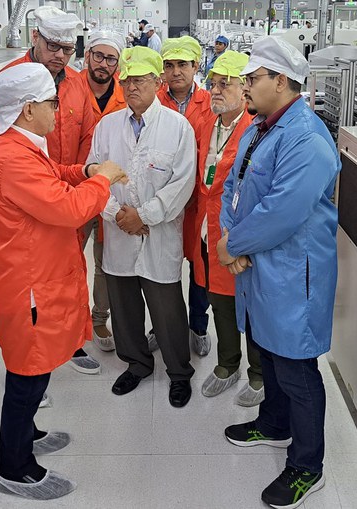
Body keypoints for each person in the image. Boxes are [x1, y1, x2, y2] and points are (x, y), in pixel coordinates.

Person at [0, 63, 126, 500]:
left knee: (37, 366)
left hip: (36, 275)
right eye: (51, 103)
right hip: (29, 285)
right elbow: (68, 210)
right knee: (28, 373)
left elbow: (51, 177)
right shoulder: (11, 157)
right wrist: (103, 179)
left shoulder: (18, 144)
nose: (57, 110)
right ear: (28, 109)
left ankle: (26, 434)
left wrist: (83, 171)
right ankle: (15, 468)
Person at [218, 36, 341, 509]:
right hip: (258, 264)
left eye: (253, 78)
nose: (245, 85)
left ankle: (308, 467)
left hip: (293, 272)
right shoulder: (261, 127)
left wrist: (233, 245)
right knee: (267, 350)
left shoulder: (306, 139)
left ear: (282, 81)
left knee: (295, 366)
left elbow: (283, 211)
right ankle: (274, 423)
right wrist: (230, 238)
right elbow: (234, 184)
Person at [0, 5, 101, 377]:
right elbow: (10, 141)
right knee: (38, 297)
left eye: (68, 49)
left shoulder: (77, 83)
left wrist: (80, 179)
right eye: (53, 47)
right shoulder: (11, 83)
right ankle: (35, 366)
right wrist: (87, 190)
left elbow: (87, 134)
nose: (60, 56)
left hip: (66, 194)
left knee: (66, 281)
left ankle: (66, 346)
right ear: (35, 37)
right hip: (38, 206)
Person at [86, 46, 197, 408]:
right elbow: (95, 173)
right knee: (124, 307)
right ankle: (137, 363)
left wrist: (144, 216)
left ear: (157, 82)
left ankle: (179, 372)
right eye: (127, 81)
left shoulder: (177, 127)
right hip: (118, 231)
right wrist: (118, 215)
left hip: (158, 234)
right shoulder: (107, 126)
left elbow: (182, 183)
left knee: (167, 308)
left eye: (140, 80)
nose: (131, 87)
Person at [194, 50, 264, 407]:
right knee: (218, 301)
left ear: (244, 89)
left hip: (239, 232)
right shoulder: (207, 123)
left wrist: (239, 238)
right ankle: (227, 364)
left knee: (250, 306)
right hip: (208, 230)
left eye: (226, 84)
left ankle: (258, 373)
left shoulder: (256, 129)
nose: (217, 90)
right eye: (213, 83)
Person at [158, 35, 214, 357]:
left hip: (197, 204)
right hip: (161, 199)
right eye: (169, 65)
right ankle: (162, 327)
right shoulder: (154, 100)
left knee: (199, 268)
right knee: (161, 268)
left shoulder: (210, 102)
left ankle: (198, 325)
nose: (176, 71)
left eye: (183, 64)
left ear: (196, 66)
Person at [79, 30, 127, 352]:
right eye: (98, 56)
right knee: (67, 260)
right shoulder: (69, 89)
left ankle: (99, 318)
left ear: (117, 64)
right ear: (87, 56)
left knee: (104, 261)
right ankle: (71, 320)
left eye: (111, 59)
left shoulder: (126, 93)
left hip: (111, 190)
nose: (104, 64)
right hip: (73, 189)